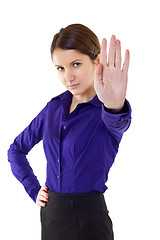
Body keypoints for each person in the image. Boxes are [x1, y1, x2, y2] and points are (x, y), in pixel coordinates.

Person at [8, 23, 132, 240]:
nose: (68, 77)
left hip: (91, 219)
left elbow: (119, 122)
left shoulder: (106, 111)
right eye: (60, 68)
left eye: (76, 64)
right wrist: (32, 189)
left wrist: (114, 105)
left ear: (97, 61)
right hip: (52, 215)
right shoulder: (53, 108)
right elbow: (16, 149)